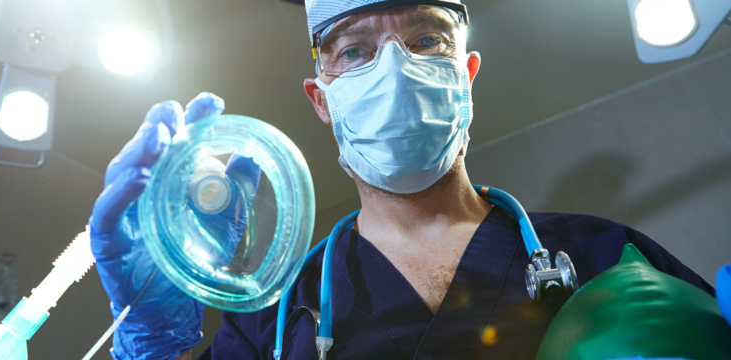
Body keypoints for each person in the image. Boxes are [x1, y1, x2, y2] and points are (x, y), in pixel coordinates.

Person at [88, 1, 714, 359]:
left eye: (425, 38)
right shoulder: (275, 325)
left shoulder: (606, 259)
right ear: (321, 97)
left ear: (465, 73)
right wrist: (149, 345)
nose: (395, 68)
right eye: (355, 51)